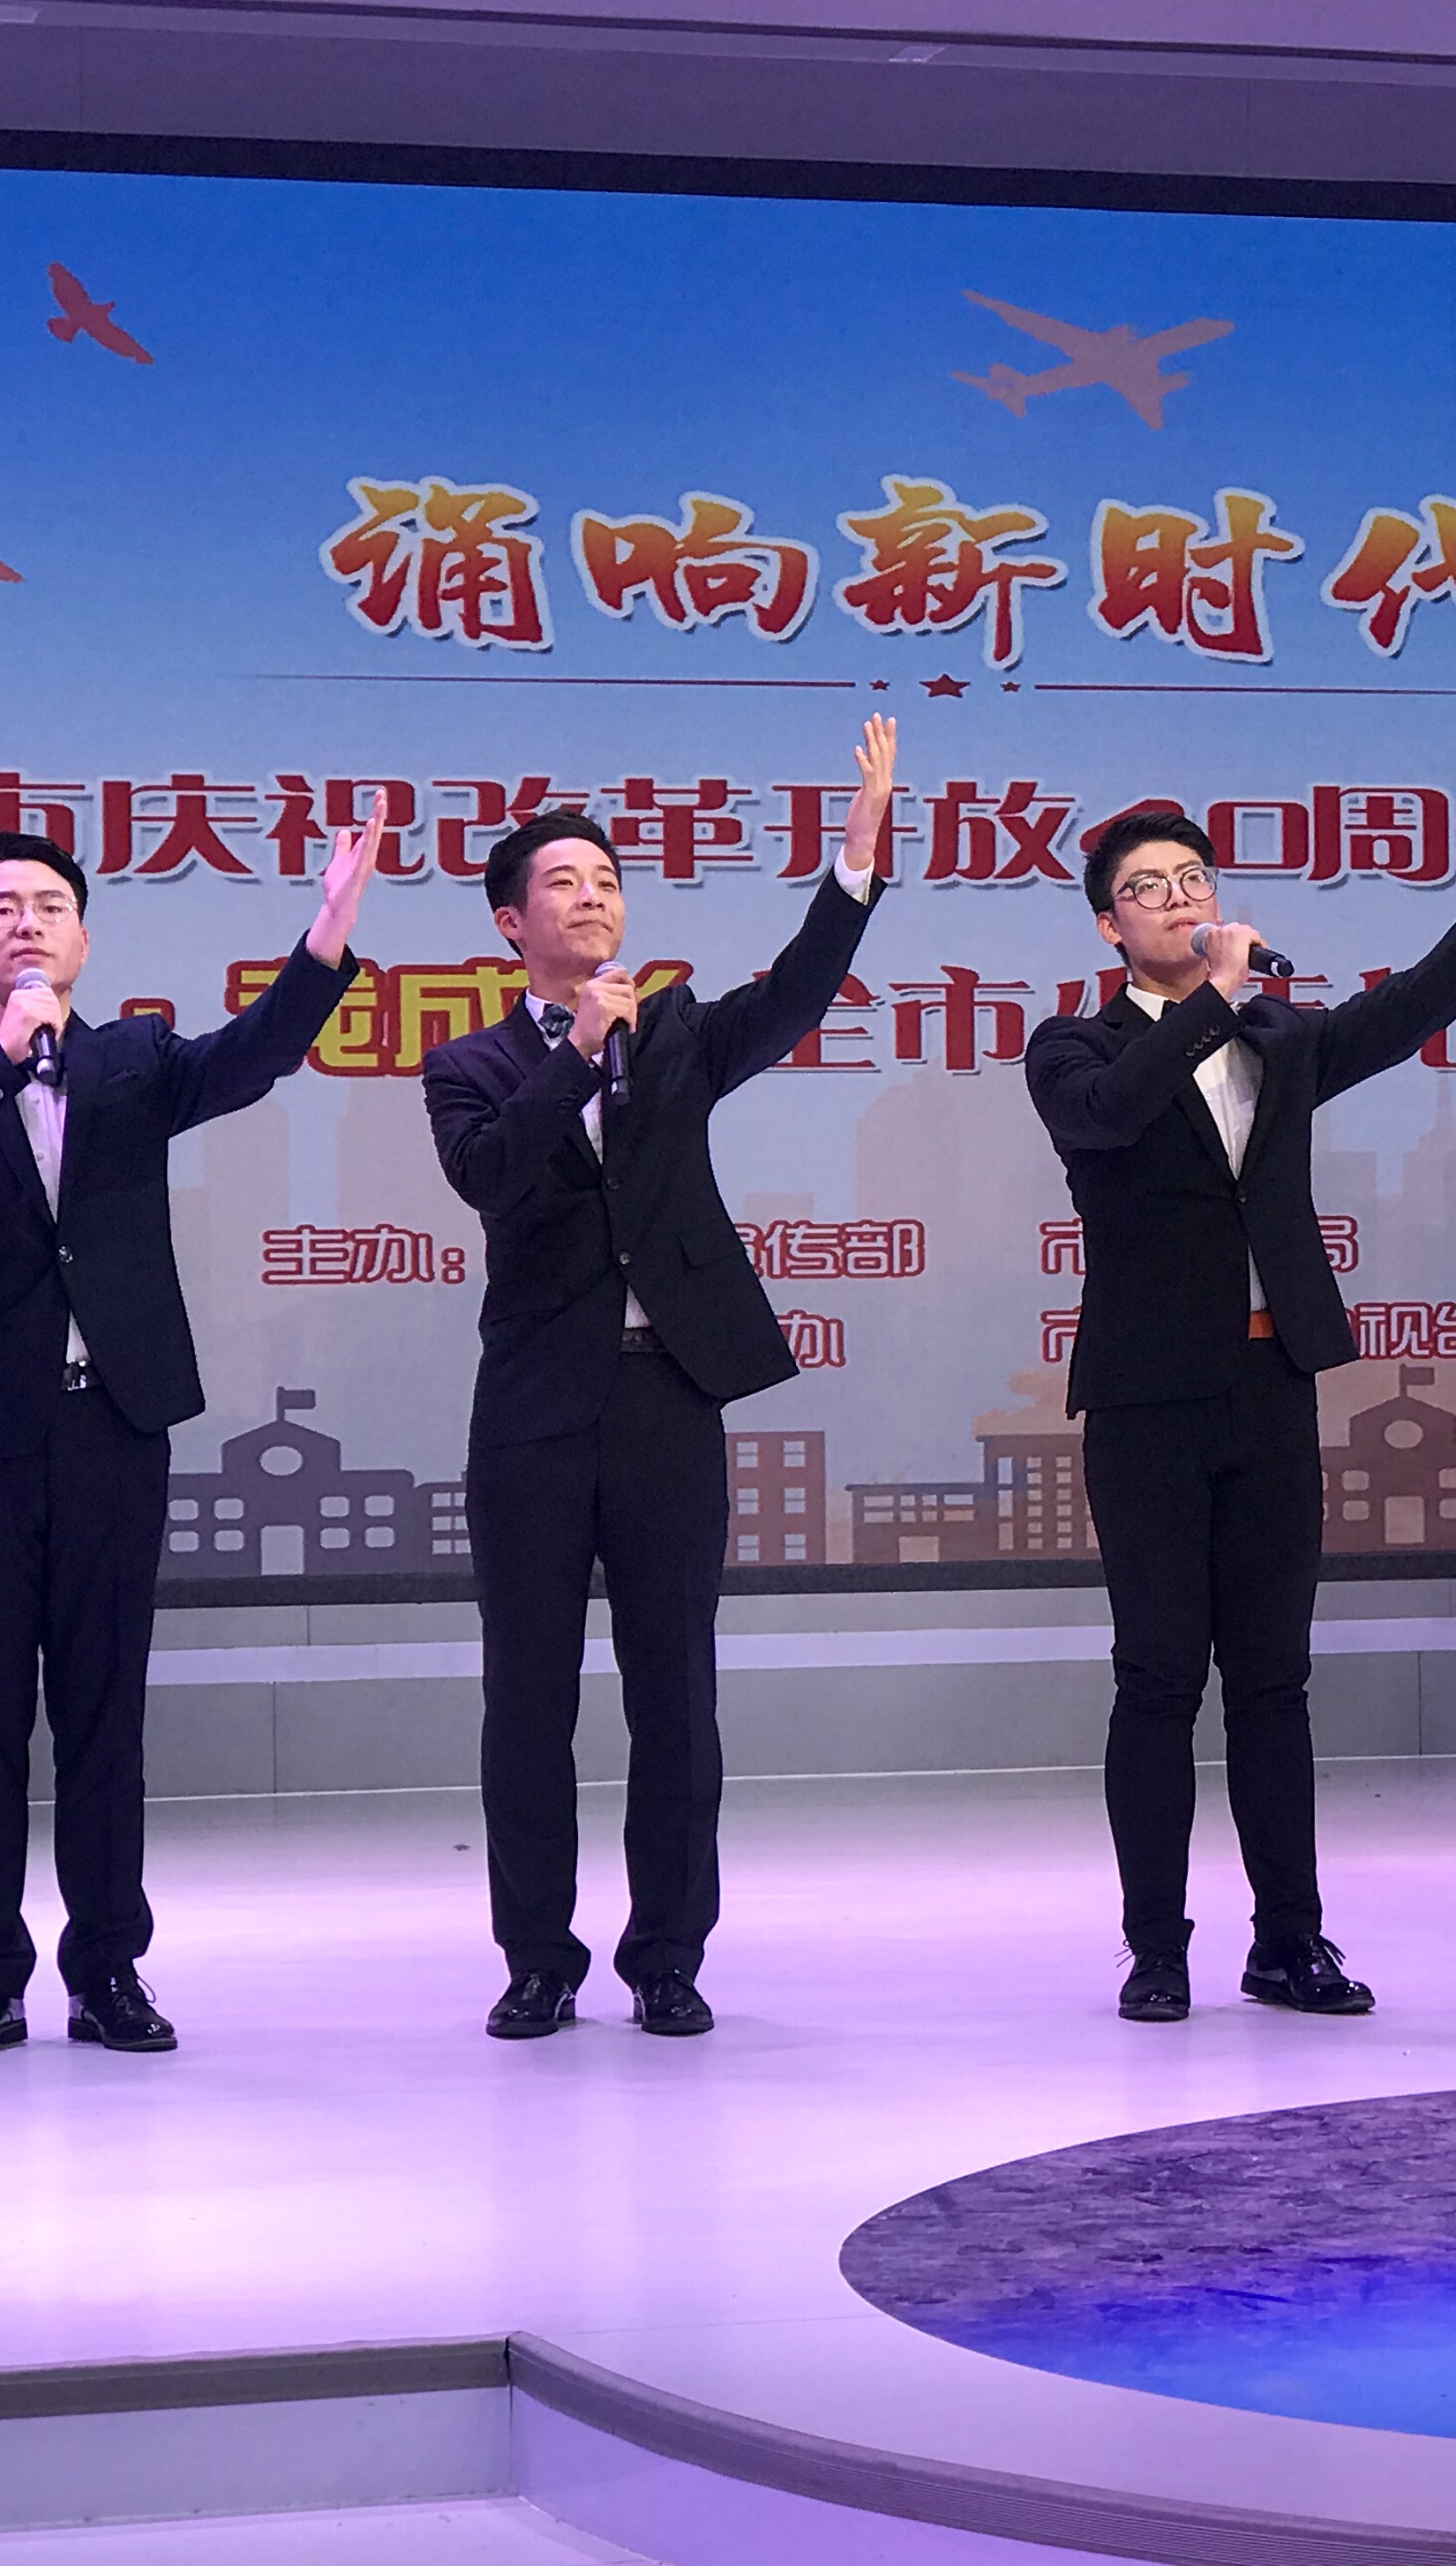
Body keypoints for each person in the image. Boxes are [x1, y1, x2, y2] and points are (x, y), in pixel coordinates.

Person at [1028, 739, 1456, 2023]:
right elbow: (1115, 1113)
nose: (1180, 900)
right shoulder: (1071, 1047)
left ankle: (1290, 1942)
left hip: (1270, 1381)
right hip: (1145, 1401)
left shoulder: (1280, 1041)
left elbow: (1414, 1008)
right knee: (1158, 1677)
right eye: (1149, 889)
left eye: (1195, 880)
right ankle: (1156, 1948)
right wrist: (1218, 1000)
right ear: (1109, 924)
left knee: (1274, 1681)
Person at [0, 808, 384, 2061]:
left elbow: (256, 1055)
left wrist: (328, 929)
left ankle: (106, 1969)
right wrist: (0, 1058)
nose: (30, 924)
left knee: (105, 1711)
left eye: (52, 906)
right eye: (2, 909)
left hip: (113, 1427)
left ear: (84, 939)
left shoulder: (134, 1059)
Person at [423, 720, 896, 2043]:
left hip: (667, 1398)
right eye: (563, 883)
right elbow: (491, 1176)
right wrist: (575, 1050)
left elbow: (795, 995)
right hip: (533, 1413)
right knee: (528, 1698)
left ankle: (669, 1957)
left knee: (676, 1693)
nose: (593, 898)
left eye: (607, 880)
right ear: (511, 923)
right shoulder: (469, 1066)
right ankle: (537, 1959)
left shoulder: (678, 1032)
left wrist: (855, 863)